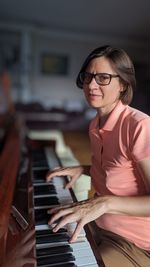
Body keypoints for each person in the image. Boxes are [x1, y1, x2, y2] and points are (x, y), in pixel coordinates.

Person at [46, 45, 150, 267]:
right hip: (97, 222)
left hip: (134, 242)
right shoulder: (95, 123)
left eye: (103, 78)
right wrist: (84, 169)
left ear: (123, 84)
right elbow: (118, 169)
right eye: (88, 77)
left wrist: (103, 203)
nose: (91, 85)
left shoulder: (140, 126)